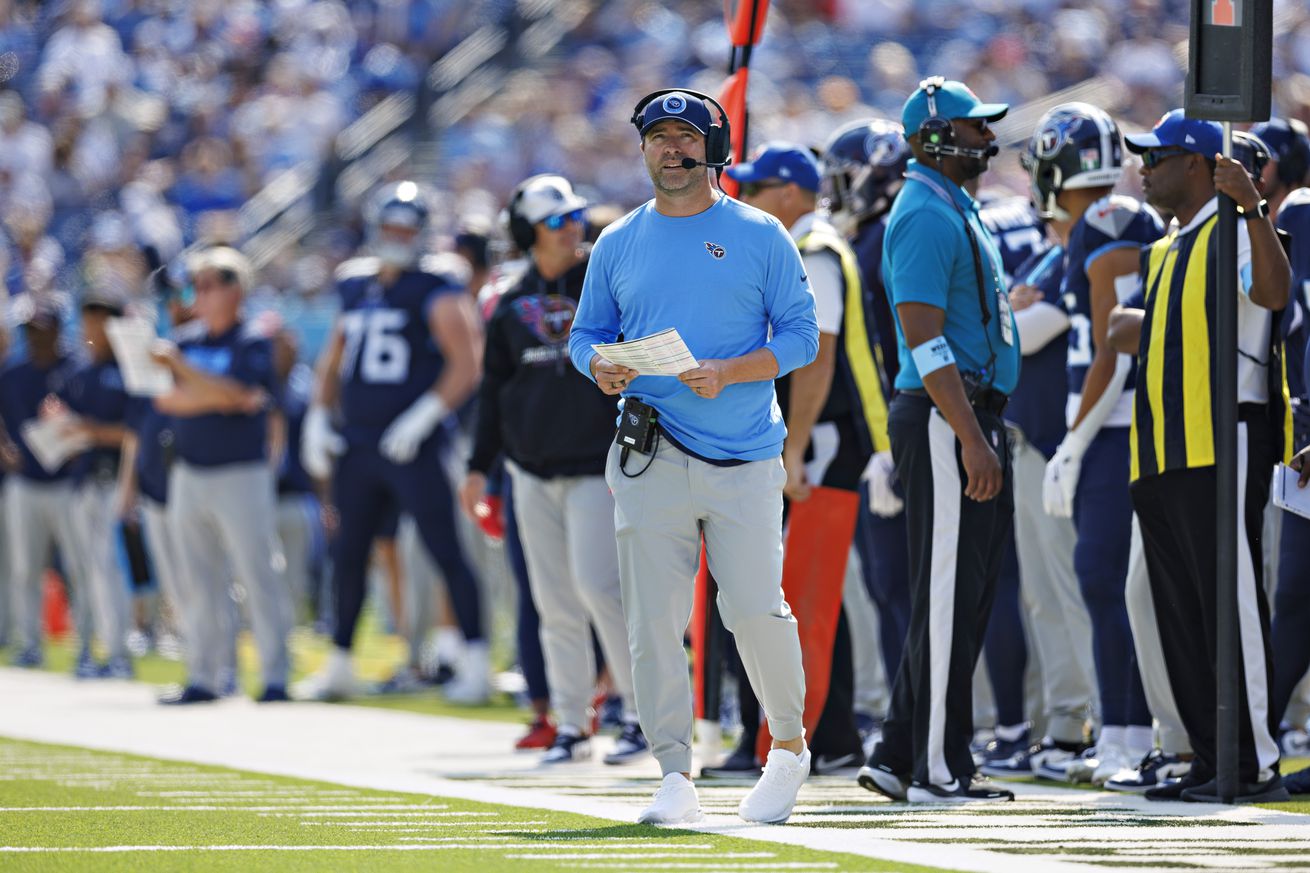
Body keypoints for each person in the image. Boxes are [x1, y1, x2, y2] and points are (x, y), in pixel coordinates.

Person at [568, 89, 817, 825]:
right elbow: (586, 333)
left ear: (715, 149)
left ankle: (790, 746)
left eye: (685, 138)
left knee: (754, 610)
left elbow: (802, 336)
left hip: (743, 452)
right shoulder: (615, 241)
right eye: (657, 137)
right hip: (648, 449)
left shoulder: (761, 232)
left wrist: (731, 369)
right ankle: (674, 769)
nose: (669, 150)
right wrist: (598, 367)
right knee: (652, 620)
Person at [1120, 109, 1292, 803]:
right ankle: (1206, 751)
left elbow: (1274, 295)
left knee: (1231, 604)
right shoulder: (1163, 246)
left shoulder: (1237, 230)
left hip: (1223, 438)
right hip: (1161, 446)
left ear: (1197, 163)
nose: (1145, 168)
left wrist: (1250, 205)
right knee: (1180, 612)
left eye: (1156, 157)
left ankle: (1251, 758)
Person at [857, 77, 1018, 804]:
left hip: (965, 411)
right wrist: (970, 435)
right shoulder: (924, 211)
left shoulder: (953, 204)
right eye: (974, 126)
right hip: (945, 412)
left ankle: (901, 749)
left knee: (965, 590)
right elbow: (923, 340)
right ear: (934, 137)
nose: (987, 137)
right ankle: (935, 765)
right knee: (949, 592)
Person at [460, 173, 646, 766]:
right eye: (559, 221)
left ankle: (643, 715)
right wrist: (477, 467)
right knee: (553, 601)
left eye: (575, 218)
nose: (574, 228)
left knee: (601, 589)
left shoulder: (609, 280)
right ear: (527, 232)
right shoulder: (509, 301)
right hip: (528, 471)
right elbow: (493, 390)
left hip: (597, 463)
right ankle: (571, 723)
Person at [1020, 102, 1166, 785]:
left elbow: (1116, 343)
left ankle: (1129, 732)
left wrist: (1077, 438)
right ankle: (1127, 729)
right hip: (1107, 422)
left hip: (1119, 422)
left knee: (1109, 579)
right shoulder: (1088, 229)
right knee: (1106, 581)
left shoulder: (1111, 220)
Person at [298, 181, 488, 704]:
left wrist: (425, 415)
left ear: (423, 233)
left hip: (414, 445)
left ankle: (473, 659)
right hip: (358, 443)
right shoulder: (356, 285)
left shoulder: (437, 286)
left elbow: (467, 363)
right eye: (390, 227)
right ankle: (339, 660)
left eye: (407, 228)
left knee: (445, 549)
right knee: (349, 553)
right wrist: (318, 414)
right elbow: (334, 357)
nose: (397, 236)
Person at [727, 141, 884, 774]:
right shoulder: (801, 245)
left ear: (790, 191)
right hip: (818, 442)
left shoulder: (812, 250)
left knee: (801, 598)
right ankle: (834, 730)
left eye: (757, 188)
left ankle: (796, 740)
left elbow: (816, 354)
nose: (746, 198)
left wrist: (795, 446)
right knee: (802, 597)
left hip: (820, 445)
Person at [151, 246, 293, 704]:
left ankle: (274, 676)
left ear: (235, 289)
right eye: (196, 286)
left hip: (241, 473)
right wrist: (212, 393)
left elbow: (243, 395)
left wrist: (190, 378)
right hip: (190, 471)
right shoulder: (188, 341)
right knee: (198, 581)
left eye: (209, 284)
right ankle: (206, 675)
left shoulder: (250, 340)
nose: (199, 295)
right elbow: (167, 401)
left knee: (257, 574)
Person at [820, 119, 913, 755]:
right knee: (885, 590)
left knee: (899, 588)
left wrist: (886, 443)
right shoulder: (871, 239)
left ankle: (916, 725)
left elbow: (883, 350)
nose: (836, 192)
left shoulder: (886, 240)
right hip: (886, 432)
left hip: (900, 430)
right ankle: (905, 720)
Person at [0, 294, 94, 674]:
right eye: (29, 330)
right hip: (25, 481)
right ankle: (29, 644)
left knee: (78, 567)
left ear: (56, 328)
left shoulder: (76, 369)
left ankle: (87, 645)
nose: (34, 337)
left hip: (69, 482)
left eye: (40, 328)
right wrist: (5, 452)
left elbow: (88, 418)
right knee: (26, 569)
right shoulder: (12, 373)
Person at [64, 284, 134, 679]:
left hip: (115, 480)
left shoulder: (128, 369)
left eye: (101, 322)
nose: (93, 329)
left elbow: (135, 431)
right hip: (82, 480)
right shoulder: (79, 372)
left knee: (111, 569)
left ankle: (119, 654)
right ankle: (90, 650)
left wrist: (91, 430)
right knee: (85, 570)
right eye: (89, 321)